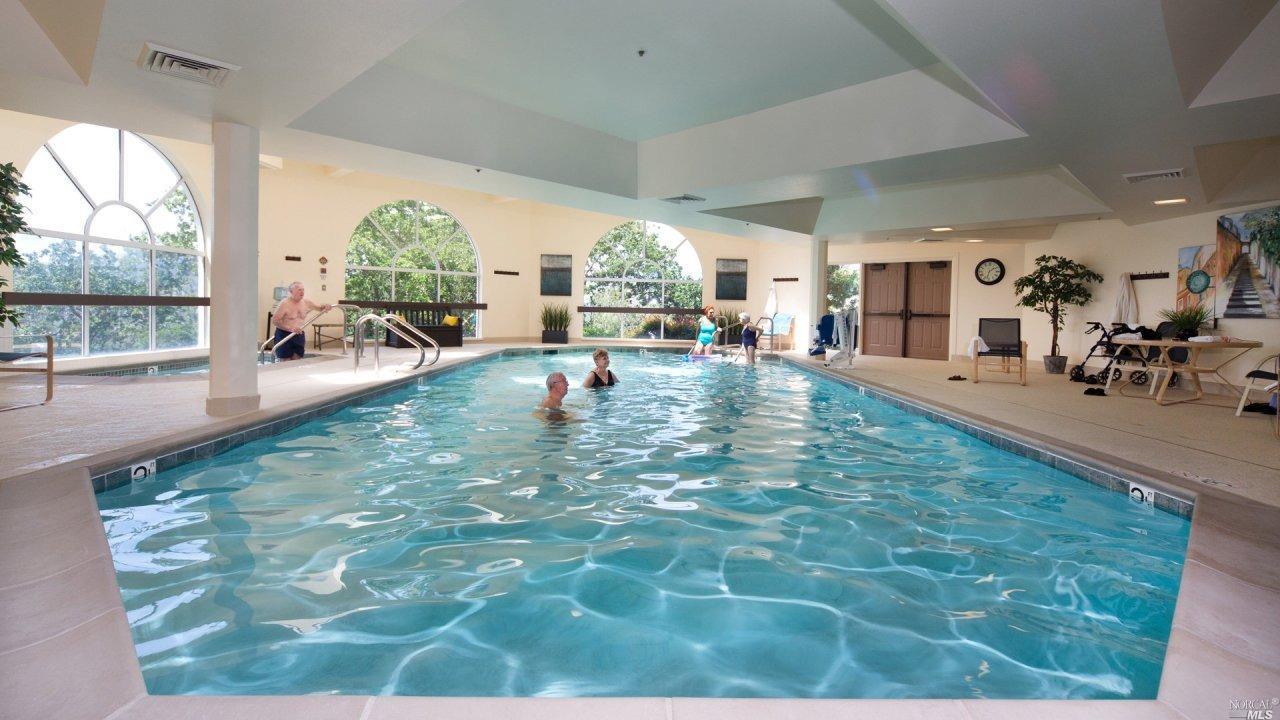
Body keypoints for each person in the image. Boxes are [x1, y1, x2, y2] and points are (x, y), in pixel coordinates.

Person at [271, 281, 331, 361]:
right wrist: (290, 328)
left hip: (298, 334)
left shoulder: (306, 303)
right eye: (299, 290)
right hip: (284, 334)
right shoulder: (284, 304)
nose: (302, 292)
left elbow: (320, 308)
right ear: (291, 292)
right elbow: (275, 321)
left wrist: (325, 306)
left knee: (297, 359)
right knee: (285, 361)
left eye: (303, 289)